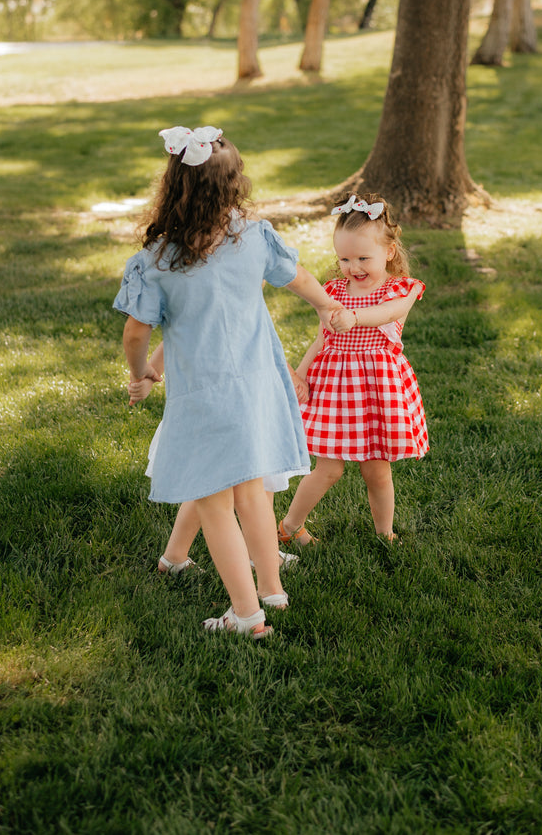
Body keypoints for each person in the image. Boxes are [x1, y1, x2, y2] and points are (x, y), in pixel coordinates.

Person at [114, 125, 345, 639]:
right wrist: (327, 305)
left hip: (205, 396)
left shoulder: (156, 262)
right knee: (253, 491)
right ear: (234, 186)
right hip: (258, 385)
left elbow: (136, 331)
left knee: (214, 501)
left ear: (172, 185)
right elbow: (300, 278)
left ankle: (247, 616)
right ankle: (271, 592)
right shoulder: (253, 238)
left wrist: (140, 371)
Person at [278, 193, 428, 546]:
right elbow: (320, 342)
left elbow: (389, 314)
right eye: (345, 258)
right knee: (328, 469)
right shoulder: (332, 291)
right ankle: (289, 527)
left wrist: (355, 317)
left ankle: (385, 533)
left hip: (378, 388)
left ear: (389, 252)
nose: (353, 267)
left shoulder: (400, 289)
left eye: (363, 257)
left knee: (377, 469)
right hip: (335, 388)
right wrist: (299, 376)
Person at [127, 343, 301, 576]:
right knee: (255, 483)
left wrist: (148, 373)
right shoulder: (231, 308)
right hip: (237, 399)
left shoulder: (200, 308)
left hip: (221, 399)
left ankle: (174, 557)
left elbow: (173, 338)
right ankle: (261, 555)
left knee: (212, 485)